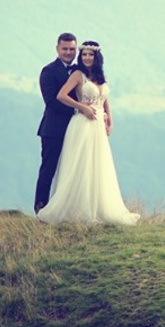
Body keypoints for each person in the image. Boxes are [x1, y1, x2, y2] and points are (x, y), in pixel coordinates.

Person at [37, 41, 139, 226]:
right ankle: (68, 209)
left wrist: (110, 120)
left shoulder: (100, 76)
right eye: (84, 54)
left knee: (97, 166)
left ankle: (98, 209)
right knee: (80, 166)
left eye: (90, 55)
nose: (87, 58)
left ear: (96, 57)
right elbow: (60, 96)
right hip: (82, 124)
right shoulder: (77, 74)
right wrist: (81, 108)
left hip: (98, 126)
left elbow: (104, 99)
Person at [34, 32, 80, 212]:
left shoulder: (79, 71)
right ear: (57, 49)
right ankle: (41, 207)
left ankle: (68, 208)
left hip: (77, 129)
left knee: (72, 169)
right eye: (65, 49)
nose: (68, 52)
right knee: (49, 169)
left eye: (72, 49)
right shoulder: (49, 71)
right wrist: (77, 110)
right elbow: (51, 101)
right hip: (53, 129)